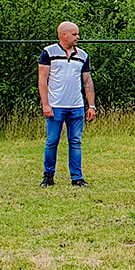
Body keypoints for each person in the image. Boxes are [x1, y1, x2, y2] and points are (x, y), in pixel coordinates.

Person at [38, 21, 96, 187]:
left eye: (77, 34)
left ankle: (77, 178)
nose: (78, 37)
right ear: (63, 35)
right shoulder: (49, 52)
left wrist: (91, 105)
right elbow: (42, 79)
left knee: (76, 142)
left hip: (76, 106)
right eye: (74, 34)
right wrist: (46, 104)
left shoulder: (83, 55)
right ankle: (48, 176)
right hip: (56, 106)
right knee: (52, 141)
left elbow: (87, 81)